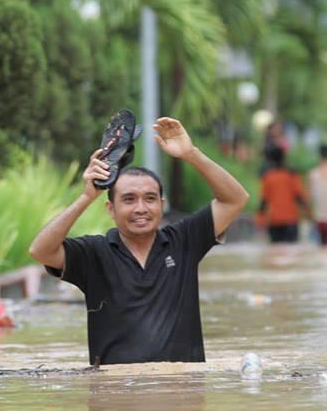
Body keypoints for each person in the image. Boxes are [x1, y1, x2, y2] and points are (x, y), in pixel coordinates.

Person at [29, 117, 249, 365]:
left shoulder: (184, 240)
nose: (141, 208)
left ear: (162, 206)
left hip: (181, 390)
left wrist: (191, 154)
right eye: (129, 199)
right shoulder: (94, 253)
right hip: (115, 393)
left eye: (150, 198)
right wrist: (86, 197)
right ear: (111, 209)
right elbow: (40, 250)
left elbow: (235, 199)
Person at [259, 146, 311, 243]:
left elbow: (264, 201)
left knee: (276, 253)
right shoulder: (292, 175)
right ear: (284, 158)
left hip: (274, 221)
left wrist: (260, 221)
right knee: (291, 254)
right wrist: (309, 214)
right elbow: (300, 197)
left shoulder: (268, 177)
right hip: (291, 221)